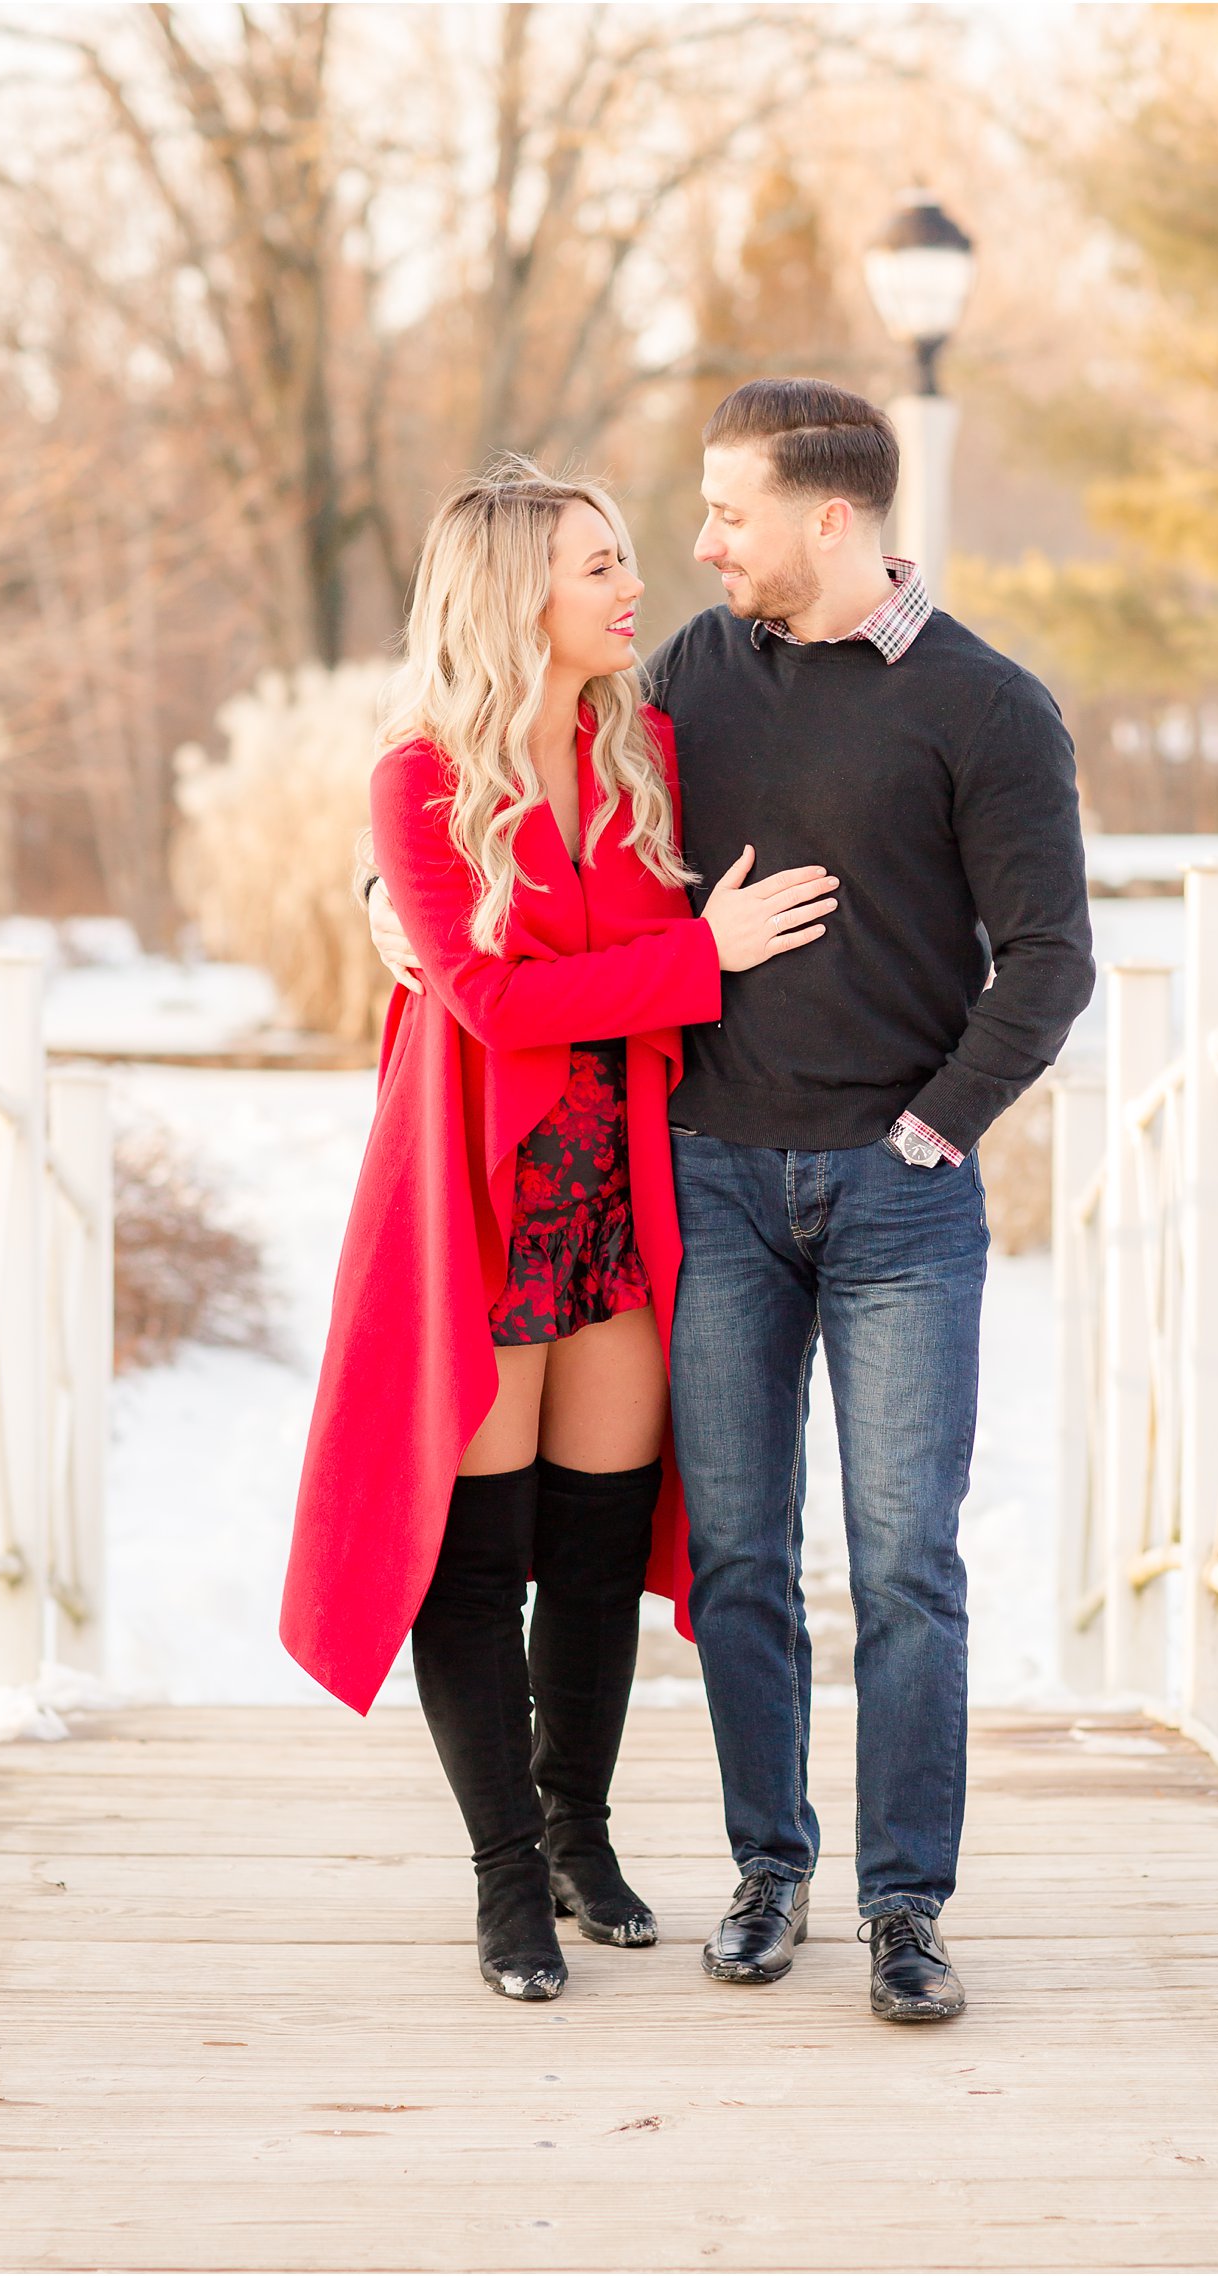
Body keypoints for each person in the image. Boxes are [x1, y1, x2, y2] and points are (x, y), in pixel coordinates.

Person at [368, 381, 1096, 2024]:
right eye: (668, 532)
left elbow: (1051, 961)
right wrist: (384, 902)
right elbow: (494, 810)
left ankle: (905, 1906)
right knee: (743, 1557)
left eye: (726, 517)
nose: (694, 553)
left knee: (905, 1561)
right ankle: (769, 1871)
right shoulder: (698, 675)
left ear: (828, 520)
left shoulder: (987, 709)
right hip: (701, 1182)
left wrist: (939, 1126)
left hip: (894, 1194)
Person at [281, 459, 837, 2003]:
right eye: (598, 565)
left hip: (618, 1194)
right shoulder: (419, 779)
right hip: (481, 1189)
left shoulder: (644, 743)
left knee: (596, 1543)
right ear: (516, 590)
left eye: (624, 560)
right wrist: (698, 954)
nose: (629, 585)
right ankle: (504, 1879)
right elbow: (496, 1003)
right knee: (482, 1556)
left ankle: (579, 1832)